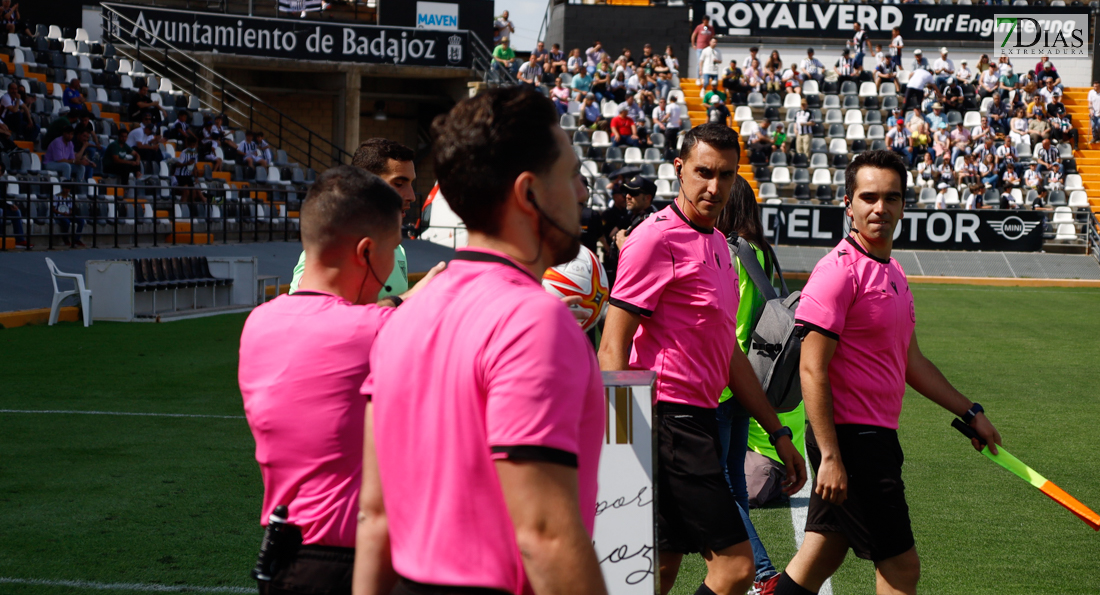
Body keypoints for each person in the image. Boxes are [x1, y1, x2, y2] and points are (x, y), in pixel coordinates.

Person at [356, 86, 607, 595]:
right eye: (571, 176)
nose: (581, 194)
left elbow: (375, 517)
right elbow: (545, 536)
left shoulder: (406, 314)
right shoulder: (533, 321)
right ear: (528, 192)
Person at [773, 150, 1003, 595]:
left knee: (821, 552)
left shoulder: (893, 270)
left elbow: (911, 361)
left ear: (903, 205)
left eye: (891, 198)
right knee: (900, 569)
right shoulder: (837, 272)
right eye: (869, 197)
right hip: (853, 443)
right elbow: (812, 368)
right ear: (849, 204)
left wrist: (970, 411)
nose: (881, 208)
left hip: (875, 436)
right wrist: (833, 456)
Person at [599, 123, 806, 595]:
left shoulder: (717, 243)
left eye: (726, 175)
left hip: (700, 418)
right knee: (735, 569)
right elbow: (613, 344)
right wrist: (617, 444)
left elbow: (726, 352)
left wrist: (778, 433)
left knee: (663, 566)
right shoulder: (654, 239)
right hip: (666, 419)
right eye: (703, 172)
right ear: (679, 170)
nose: (714, 187)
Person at [239, 165, 426, 595]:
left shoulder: (258, 323)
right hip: (354, 563)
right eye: (392, 251)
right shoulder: (374, 330)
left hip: (285, 558)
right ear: (365, 252)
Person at [713, 174, 791, 595]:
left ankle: (762, 571)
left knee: (720, 484)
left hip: (726, 379)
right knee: (734, 484)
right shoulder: (760, 250)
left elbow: (733, 323)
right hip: (752, 380)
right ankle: (759, 570)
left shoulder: (729, 251)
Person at [290, 138, 417, 297]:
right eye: (399, 183)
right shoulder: (332, 248)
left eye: (411, 183)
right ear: (365, 185)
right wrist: (403, 301)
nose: (411, 196)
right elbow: (309, 313)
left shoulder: (397, 249)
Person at [612, 174, 657, 250]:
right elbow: (612, 234)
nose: (627, 196)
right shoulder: (631, 216)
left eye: (633, 193)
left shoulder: (652, 221)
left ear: (647, 198)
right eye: (626, 192)